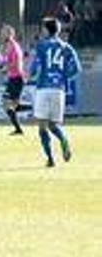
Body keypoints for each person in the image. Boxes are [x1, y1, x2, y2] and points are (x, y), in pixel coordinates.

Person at [29, 17, 79, 168]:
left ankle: (50, 159)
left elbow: (34, 68)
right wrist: (63, 78)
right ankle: (63, 139)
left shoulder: (42, 46)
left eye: (43, 28)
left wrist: (30, 75)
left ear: (47, 30)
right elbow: (76, 69)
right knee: (53, 125)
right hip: (59, 89)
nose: (42, 30)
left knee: (42, 126)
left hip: (44, 87)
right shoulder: (67, 47)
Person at [0, 23, 27, 136]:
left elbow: (15, 64)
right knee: (12, 105)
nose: (1, 34)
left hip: (16, 78)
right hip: (15, 78)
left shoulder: (13, 46)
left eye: (3, 32)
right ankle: (19, 128)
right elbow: (9, 62)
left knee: (7, 103)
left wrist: (5, 68)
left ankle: (19, 128)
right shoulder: (9, 46)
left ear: (9, 33)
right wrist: (1, 63)